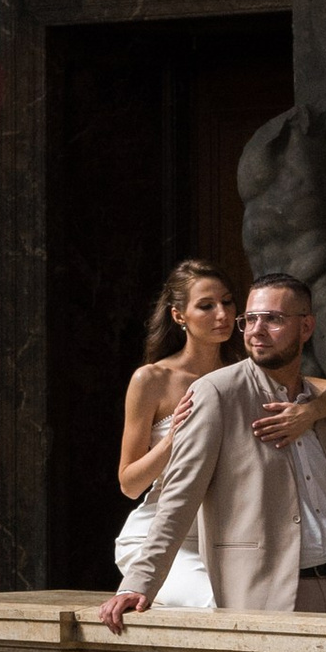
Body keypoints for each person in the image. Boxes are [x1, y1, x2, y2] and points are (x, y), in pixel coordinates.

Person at [101, 275, 326, 628]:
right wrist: (139, 583)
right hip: (273, 594)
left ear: (306, 326)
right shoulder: (215, 393)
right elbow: (178, 497)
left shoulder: (325, 406)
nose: (255, 330)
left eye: (273, 319)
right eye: (250, 319)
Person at [108, 260, 239, 610]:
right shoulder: (152, 380)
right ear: (179, 316)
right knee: (215, 603)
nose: (222, 314)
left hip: (228, 537)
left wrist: (308, 410)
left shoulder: (246, 376)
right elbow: (129, 483)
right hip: (159, 537)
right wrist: (173, 440)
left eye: (227, 302)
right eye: (207, 306)